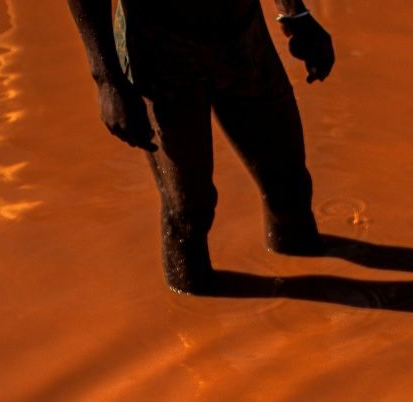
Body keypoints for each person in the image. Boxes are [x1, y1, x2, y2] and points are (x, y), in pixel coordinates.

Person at [66, 1, 336, 293]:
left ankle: (311, 302)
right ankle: (190, 314)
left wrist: (295, 13)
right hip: (159, 47)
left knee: (289, 186)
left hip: (243, 31)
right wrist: (107, 78)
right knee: (188, 214)